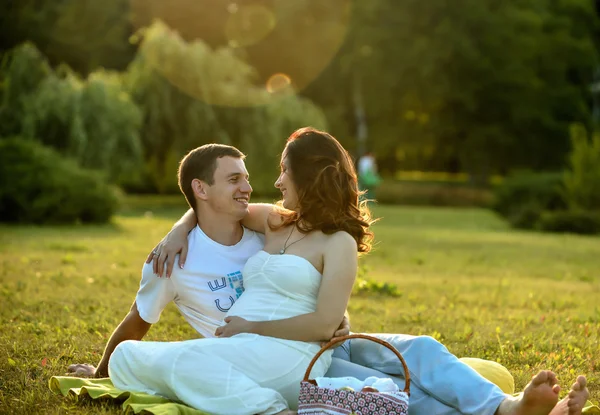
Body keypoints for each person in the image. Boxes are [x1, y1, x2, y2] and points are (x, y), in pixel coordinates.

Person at [69, 129, 590, 415]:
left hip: (315, 339)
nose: (268, 183)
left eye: (277, 172)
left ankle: (504, 408)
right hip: (267, 355)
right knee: (379, 392)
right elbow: (202, 202)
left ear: (303, 177)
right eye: (248, 178)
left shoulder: (294, 228)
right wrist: (176, 231)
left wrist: (270, 325)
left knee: (420, 351)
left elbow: (226, 199)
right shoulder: (260, 227)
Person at [76, 129, 372, 415]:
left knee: (191, 360)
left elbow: (323, 326)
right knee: (125, 355)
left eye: (284, 170)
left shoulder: (339, 242)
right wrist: (178, 231)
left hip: (292, 355)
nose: (278, 181)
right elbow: (213, 206)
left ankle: (272, 410)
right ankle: (245, 397)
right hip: (239, 349)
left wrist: (252, 327)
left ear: (308, 175)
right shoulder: (275, 221)